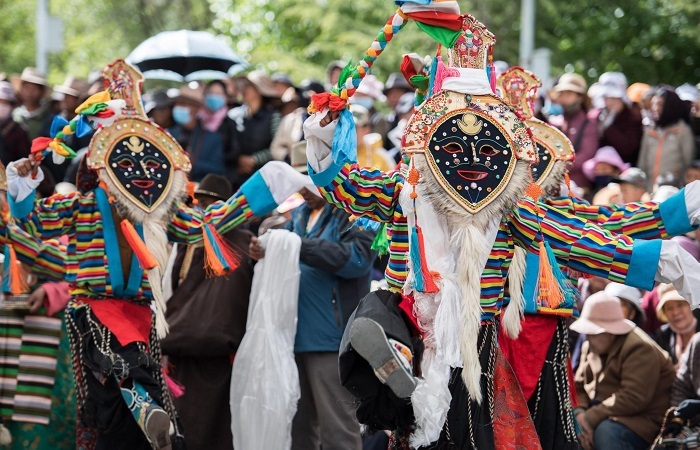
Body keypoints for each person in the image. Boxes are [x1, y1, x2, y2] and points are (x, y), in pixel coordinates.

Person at [303, 11, 700, 449]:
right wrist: (322, 142)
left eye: (490, 147)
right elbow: (345, 187)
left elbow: (582, 236)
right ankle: (391, 353)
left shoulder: (513, 209)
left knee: (465, 434)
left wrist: (661, 251)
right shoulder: (407, 193)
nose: (470, 160)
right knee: (393, 366)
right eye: (452, 145)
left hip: (489, 340)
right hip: (417, 328)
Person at [6, 59, 316, 450]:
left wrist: (264, 186)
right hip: (95, 309)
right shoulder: (84, 206)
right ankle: (144, 406)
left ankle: (151, 415)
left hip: (142, 314)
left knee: (139, 413)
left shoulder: (159, 211)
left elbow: (205, 225)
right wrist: (21, 192)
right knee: (121, 386)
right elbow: (33, 224)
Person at [249, 149, 376, 450]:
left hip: (332, 341)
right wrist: (267, 251)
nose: (303, 190)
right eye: (297, 181)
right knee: (298, 429)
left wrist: (296, 245)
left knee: (338, 430)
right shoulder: (299, 216)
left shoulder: (355, 212)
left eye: (308, 181)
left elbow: (358, 260)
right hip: (294, 337)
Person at [160, 174, 254, 450]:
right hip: (180, 348)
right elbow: (177, 289)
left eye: (209, 203)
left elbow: (227, 301)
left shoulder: (239, 241)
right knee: (181, 427)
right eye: (198, 203)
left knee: (211, 428)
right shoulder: (185, 240)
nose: (202, 209)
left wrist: (182, 328)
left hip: (215, 352)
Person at [572, 292, 675, 450]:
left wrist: (590, 418)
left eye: (593, 333)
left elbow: (633, 397)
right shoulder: (591, 346)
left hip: (644, 420)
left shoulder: (639, 348)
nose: (587, 337)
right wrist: (579, 414)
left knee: (606, 432)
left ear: (611, 333)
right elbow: (578, 387)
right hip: (605, 414)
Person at [226, 71, 282, 190]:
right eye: (243, 86)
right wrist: (238, 159)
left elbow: (277, 147)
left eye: (248, 86)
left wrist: (254, 159)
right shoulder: (234, 115)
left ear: (259, 90)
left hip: (263, 178)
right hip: (235, 178)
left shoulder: (273, 116)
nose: (244, 89)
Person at [549, 73, 599, 191]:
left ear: (580, 97)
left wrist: (558, 167)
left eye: (569, 93)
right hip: (553, 185)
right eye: (562, 94)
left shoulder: (589, 123)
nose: (564, 98)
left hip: (579, 188)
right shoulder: (555, 121)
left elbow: (587, 154)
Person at [638, 88, 695, 191]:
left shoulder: (682, 131)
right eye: (653, 104)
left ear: (670, 106)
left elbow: (688, 163)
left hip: (673, 192)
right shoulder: (650, 131)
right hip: (649, 191)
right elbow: (642, 163)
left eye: (660, 104)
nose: (655, 108)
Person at [168, 84, 225, 182]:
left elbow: (218, 169)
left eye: (184, 104)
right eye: (178, 104)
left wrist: (194, 163)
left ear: (196, 109)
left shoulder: (212, 138)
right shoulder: (168, 134)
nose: (179, 107)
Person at [597, 72, 644, 164]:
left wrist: (608, 128)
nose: (610, 102)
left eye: (614, 98)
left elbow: (628, 149)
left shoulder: (634, 118)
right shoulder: (598, 116)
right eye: (606, 98)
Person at [655, 283, 700, 367]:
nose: (675, 312)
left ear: (691, 306)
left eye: (680, 305)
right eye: (669, 308)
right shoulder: (663, 335)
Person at [11, 68, 54, 141]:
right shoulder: (14, 115)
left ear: (42, 92)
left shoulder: (50, 119)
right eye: (27, 88)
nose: (30, 92)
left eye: (34, 88)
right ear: (21, 89)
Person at [351, 104, 396, 172]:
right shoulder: (335, 156)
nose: (349, 133)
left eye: (353, 128)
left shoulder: (381, 157)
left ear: (366, 129)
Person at [0, 81, 30, 165]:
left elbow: (24, 161)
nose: (1, 106)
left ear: (12, 106)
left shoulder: (20, 132)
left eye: (5, 103)